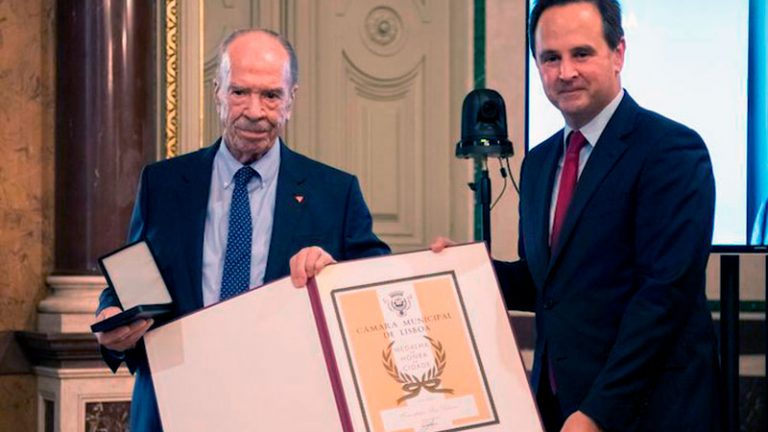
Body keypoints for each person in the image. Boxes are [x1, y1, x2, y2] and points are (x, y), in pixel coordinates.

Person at [433, 1, 719, 430]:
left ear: (618, 53)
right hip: (558, 407)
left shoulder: (671, 151)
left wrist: (597, 412)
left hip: (646, 412)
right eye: (550, 57)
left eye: (581, 53)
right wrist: (467, 269)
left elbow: (663, 297)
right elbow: (548, 284)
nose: (565, 72)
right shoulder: (539, 164)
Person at [93, 29, 389, 431]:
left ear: (291, 100)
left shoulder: (335, 193)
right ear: (217, 92)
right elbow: (133, 281)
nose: (255, 110)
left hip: (286, 411)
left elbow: (377, 290)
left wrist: (334, 273)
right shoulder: (162, 184)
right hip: (174, 403)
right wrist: (111, 315)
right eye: (239, 93)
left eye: (271, 95)